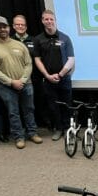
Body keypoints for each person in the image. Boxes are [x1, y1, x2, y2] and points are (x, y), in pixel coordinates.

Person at [0, 16, 42, 149]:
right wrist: (11, 82)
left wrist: (22, 80)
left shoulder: (19, 45)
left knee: (29, 110)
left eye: (4, 26)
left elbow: (28, 64)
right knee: (13, 113)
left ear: (9, 28)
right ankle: (19, 137)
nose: (2, 29)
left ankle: (32, 133)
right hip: (6, 87)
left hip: (26, 84)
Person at [33, 10, 75, 141]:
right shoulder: (38, 39)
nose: (49, 21)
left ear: (55, 20)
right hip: (48, 79)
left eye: (51, 19)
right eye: (46, 19)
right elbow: (37, 59)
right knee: (52, 106)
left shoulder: (65, 38)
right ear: (42, 21)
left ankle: (68, 128)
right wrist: (47, 75)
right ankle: (58, 128)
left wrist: (60, 75)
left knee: (67, 104)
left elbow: (71, 59)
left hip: (64, 78)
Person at [12, 14, 49, 128]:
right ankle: (25, 127)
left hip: (35, 78)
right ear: (13, 26)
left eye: (22, 25)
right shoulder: (10, 41)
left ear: (26, 26)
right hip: (18, 79)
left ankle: (41, 125)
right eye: (17, 24)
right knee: (20, 106)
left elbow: (40, 58)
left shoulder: (35, 40)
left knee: (39, 102)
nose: (20, 26)